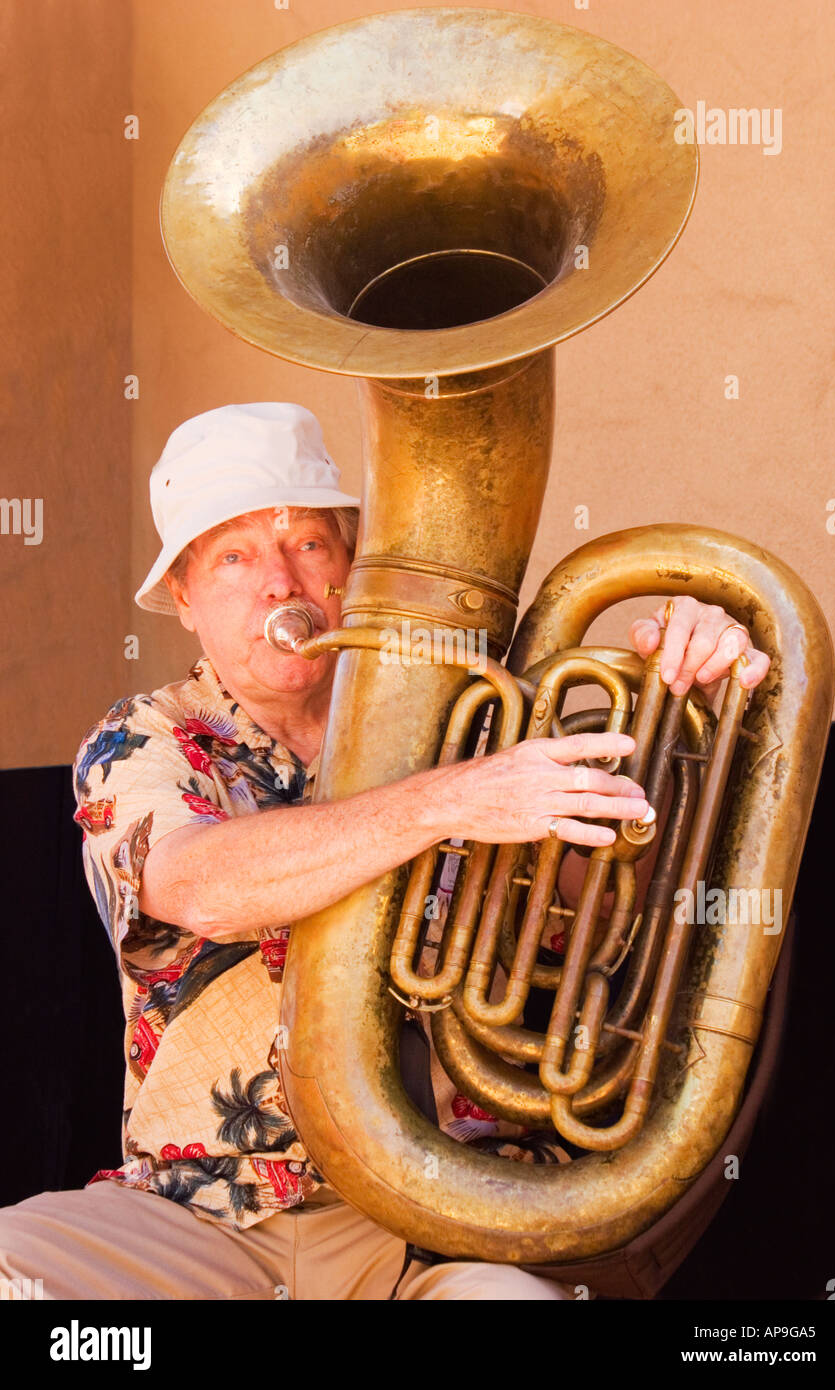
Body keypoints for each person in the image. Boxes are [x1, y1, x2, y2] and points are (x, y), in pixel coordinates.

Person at [0, 403, 770, 1301]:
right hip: (205, 1217)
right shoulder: (144, 738)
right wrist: (452, 801)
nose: (279, 584)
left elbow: (610, 906)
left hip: (442, 1221)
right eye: (234, 557)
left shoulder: (481, 721)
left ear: (353, 562)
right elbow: (197, 885)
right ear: (184, 594)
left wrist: (688, 696)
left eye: (310, 546)